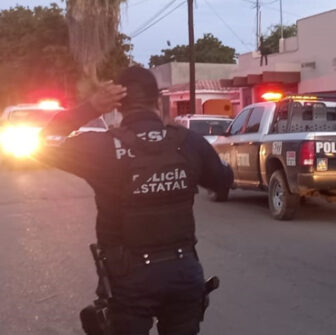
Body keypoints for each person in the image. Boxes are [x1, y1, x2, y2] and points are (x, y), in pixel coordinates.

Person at [37, 66, 234, 335]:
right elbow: (223, 181)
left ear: (118, 105)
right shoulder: (187, 142)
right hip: (183, 273)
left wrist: (91, 107)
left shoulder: (104, 147)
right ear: (157, 100)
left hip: (129, 279)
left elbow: (43, 143)